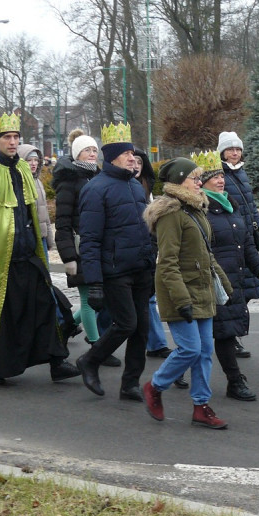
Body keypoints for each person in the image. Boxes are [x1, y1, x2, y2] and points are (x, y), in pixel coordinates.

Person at [0, 112, 76, 385]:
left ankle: (58, 361)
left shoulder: (22, 169)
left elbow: (29, 211)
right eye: (7, 137)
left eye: (16, 137)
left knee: (44, 306)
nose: (12, 141)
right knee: (5, 315)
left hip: (27, 254)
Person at [142, 157, 234, 428]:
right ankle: (155, 387)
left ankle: (201, 406)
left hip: (201, 288)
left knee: (205, 351)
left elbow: (204, 252)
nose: (199, 183)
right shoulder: (171, 213)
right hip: (180, 292)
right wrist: (181, 299)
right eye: (194, 178)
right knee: (190, 349)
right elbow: (167, 262)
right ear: (179, 181)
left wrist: (226, 286)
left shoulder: (194, 209)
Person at [75, 122, 154, 400]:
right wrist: (94, 282)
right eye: (127, 153)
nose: (134, 158)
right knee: (126, 324)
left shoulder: (134, 185)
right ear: (112, 157)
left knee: (141, 330)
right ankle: (90, 360)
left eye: (133, 153)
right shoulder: (96, 189)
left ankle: (130, 384)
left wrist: (151, 262)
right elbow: (90, 239)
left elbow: (145, 227)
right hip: (115, 271)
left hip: (141, 269)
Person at [193, 150, 259, 401]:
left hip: (233, 278)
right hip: (213, 281)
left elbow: (247, 243)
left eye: (220, 175)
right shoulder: (199, 209)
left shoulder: (230, 205)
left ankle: (176, 374)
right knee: (221, 332)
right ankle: (235, 381)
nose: (220, 180)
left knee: (217, 333)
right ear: (202, 182)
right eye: (213, 177)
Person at [53, 130, 119, 367]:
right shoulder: (68, 182)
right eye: (86, 150)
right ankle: (96, 347)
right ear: (76, 153)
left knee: (99, 297)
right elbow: (62, 223)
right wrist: (69, 256)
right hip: (82, 247)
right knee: (89, 297)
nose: (92, 154)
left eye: (94, 149)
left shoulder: (99, 177)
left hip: (101, 247)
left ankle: (65, 326)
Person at [218, 131, 259, 359]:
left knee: (245, 290)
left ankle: (234, 334)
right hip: (232, 240)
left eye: (238, 149)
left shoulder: (241, 173)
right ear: (222, 152)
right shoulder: (220, 175)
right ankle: (230, 336)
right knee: (234, 292)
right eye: (230, 149)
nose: (235, 153)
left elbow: (250, 205)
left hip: (247, 239)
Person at [133, 147, 172, 360]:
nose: (136, 165)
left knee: (149, 298)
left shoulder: (150, 192)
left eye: (140, 162)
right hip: (124, 253)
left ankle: (156, 344)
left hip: (146, 251)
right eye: (133, 161)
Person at [17, 144, 56, 259]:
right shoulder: (19, 183)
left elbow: (44, 214)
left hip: (41, 238)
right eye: (29, 160)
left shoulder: (38, 181)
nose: (34, 163)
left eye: (36, 160)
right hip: (28, 239)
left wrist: (49, 238)